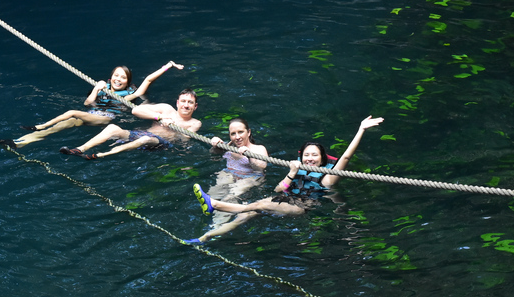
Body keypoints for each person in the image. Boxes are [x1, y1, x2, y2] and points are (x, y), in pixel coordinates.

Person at [185, 115, 384, 243]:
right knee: (245, 216)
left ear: (322, 159)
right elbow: (279, 191)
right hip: (283, 199)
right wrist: (291, 172)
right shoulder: (297, 170)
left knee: (260, 204)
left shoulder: (328, 178)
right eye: (307, 155)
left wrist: (361, 129)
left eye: (314, 155)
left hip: (301, 207)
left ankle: (217, 205)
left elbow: (346, 157)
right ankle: (206, 237)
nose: (310, 158)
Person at [0, 61, 184, 149]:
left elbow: (149, 80)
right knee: (62, 124)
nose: (118, 79)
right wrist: (96, 88)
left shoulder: (129, 94)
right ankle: (21, 142)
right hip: (91, 113)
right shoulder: (103, 87)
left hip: (104, 118)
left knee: (73, 113)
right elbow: (88, 103)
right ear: (111, 77)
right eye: (116, 76)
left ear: (127, 82)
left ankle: (36, 129)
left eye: (123, 77)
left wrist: (169, 66)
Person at [59, 89, 201, 159]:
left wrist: (174, 127)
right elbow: (136, 110)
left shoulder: (195, 123)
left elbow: (184, 140)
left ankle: (101, 155)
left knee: (145, 139)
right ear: (177, 102)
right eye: (183, 101)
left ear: (195, 107)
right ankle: (79, 149)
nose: (186, 105)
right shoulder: (166, 109)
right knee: (112, 127)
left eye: (190, 103)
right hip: (142, 135)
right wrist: (160, 117)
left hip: (161, 143)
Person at [205, 118, 269, 202]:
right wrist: (215, 146)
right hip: (229, 174)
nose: (237, 137)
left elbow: (261, 167)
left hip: (250, 178)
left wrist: (249, 155)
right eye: (233, 134)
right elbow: (213, 156)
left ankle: (223, 208)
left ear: (248, 132)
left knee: (230, 197)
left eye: (240, 132)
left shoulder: (258, 149)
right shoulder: (229, 147)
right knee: (212, 195)